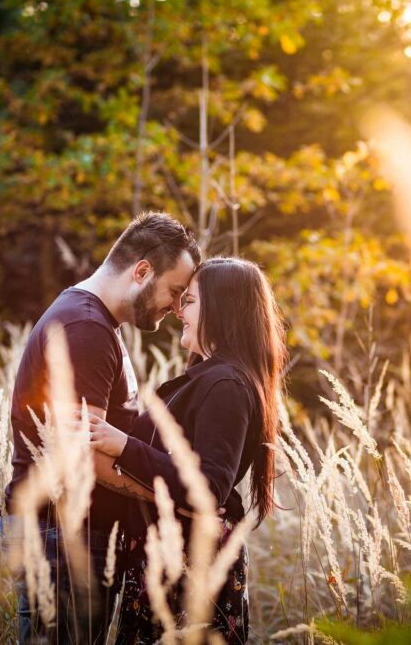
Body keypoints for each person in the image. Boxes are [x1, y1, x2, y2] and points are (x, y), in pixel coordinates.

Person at [1, 212, 200, 644]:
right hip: (63, 537)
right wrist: (178, 500)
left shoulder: (92, 322)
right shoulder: (85, 329)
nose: (177, 307)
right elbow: (87, 459)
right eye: (176, 291)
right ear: (142, 271)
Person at [88, 257, 287, 644]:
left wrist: (125, 446)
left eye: (190, 301)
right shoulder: (209, 379)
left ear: (222, 308)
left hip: (190, 566)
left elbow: (209, 486)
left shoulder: (226, 384)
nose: (179, 311)